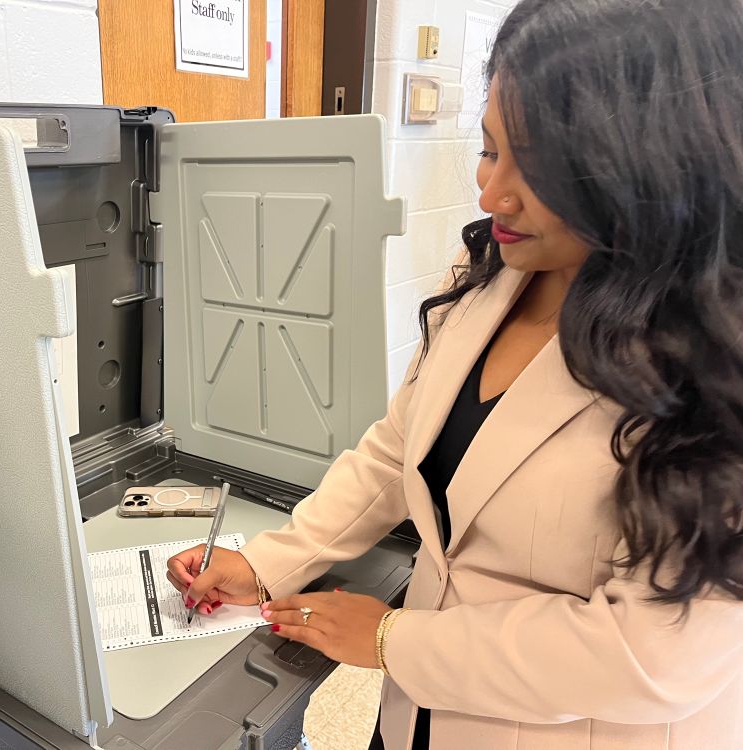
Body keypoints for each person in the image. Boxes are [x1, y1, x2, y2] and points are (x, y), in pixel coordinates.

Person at [167, 0, 743, 747]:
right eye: (489, 148)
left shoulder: (715, 369)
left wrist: (392, 641)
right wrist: (272, 561)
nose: (491, 194)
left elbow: (652, 652)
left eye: (539, 169)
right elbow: (395, 450)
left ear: (653, 171)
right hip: (423, 715)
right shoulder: (495, 276)